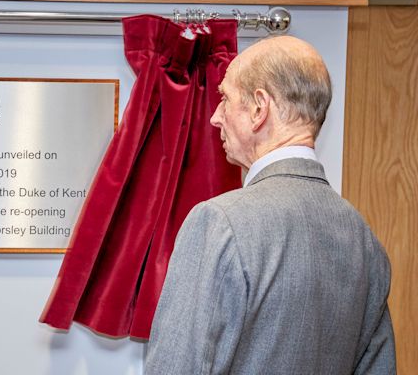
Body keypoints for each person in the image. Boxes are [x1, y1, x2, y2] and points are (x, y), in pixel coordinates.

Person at [144, 36, 396, 374]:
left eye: (225, 98)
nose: (216, 117)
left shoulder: (218, 223)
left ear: (260, 108)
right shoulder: (364, 240)